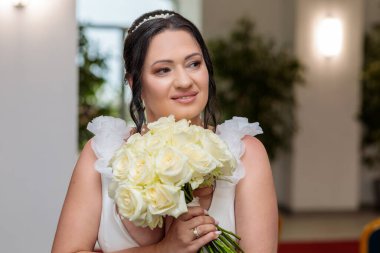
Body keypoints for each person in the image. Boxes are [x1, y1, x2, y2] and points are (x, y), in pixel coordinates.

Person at [52, 9, 278, 253]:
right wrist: (163, 250)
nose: (184, 81)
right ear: (133, 83)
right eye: (163, 70)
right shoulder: (101, 156)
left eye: (194, 64)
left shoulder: (245, 154)